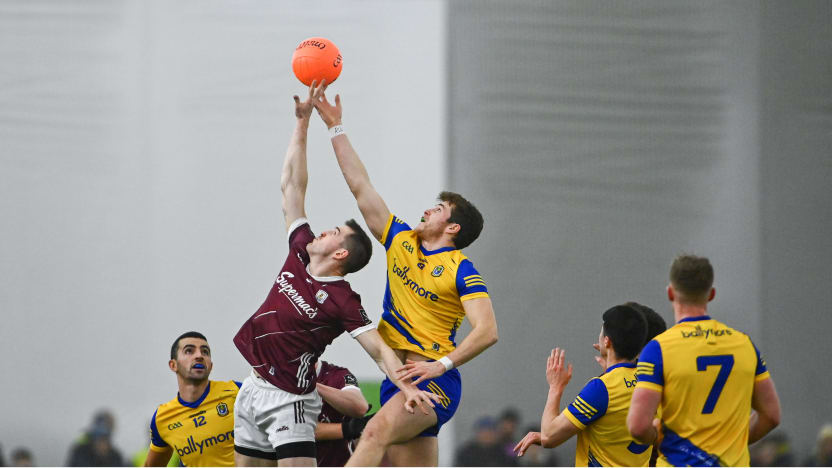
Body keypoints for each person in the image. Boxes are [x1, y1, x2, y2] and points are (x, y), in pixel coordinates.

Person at [232, 81, 439, 467]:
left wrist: (405, 387)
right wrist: (302, 124)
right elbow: (292, 186)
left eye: (334, 232)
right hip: (253, 386)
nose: (324, 231)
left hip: (290, 400)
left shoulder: (343, 300)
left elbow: (379, 350)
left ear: (341, 253)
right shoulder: (300, 250)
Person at [312, 84, 499, 467]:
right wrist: (335, 127)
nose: (428, 211)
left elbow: (487, 331)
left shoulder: (462, 270)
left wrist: (441, 365)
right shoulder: (401, 239)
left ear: (452, 228)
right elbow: (360, 186)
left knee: (373, 433)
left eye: (439, 209)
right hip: (396, 379)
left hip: (433, 380)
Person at [628, 254, 782, 466]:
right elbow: (771, 415)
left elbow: (637, 426)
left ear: (670, 292)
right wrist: (732, 443)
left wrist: (657, 438)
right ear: (711, 294)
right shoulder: (744, 345)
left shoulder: (658, 349)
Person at [514, 305, 652, 466]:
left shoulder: (601, 389)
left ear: (607, 341)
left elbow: (548, 437)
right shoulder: (651, 379)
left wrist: (555, 387)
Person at [143, 331, 238, 467]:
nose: (199, 356)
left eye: (205, 352)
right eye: (189, 351)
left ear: (210, 366)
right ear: (173, 365)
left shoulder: (237, 391)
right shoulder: (162, 418)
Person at [314, 360, 372, 467]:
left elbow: (360, 407)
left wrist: (313, 385)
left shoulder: (340, 374)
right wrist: (348, 428)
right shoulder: (282, 380)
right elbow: (294, 430)